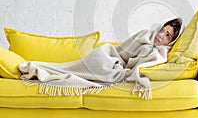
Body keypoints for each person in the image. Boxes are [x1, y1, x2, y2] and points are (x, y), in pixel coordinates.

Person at [18, 17, 183, 100]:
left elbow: (136, 69)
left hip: (117, 68)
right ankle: (45, 68)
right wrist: (113, 59)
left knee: (96, 67)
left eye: (167, 35)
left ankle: (44, 70)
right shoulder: (145, 35)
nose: (161, 35)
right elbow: (119, 51)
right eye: (163, 30)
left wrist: (125, 70)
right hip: (109, 57)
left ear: (171, 41)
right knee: (92, 59)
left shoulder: (159, 54)